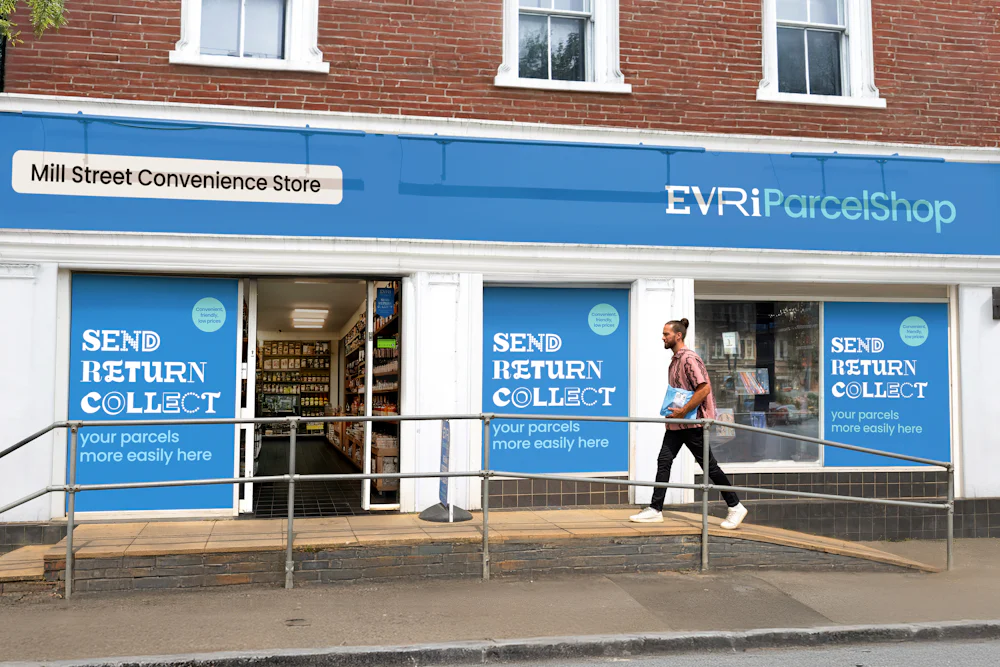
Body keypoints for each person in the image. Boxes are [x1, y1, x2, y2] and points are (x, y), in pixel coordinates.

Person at [630, 318, 749, 529]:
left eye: (666, 334)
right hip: (677, 424)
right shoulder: (675, 360)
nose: (662, 337)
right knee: (664, 461)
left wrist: (684, 411)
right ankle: (656, 509)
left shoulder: (689, 359)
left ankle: (736, 506)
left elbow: (704, 389)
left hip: (692, 424)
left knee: (709, 467)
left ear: (678, 335)